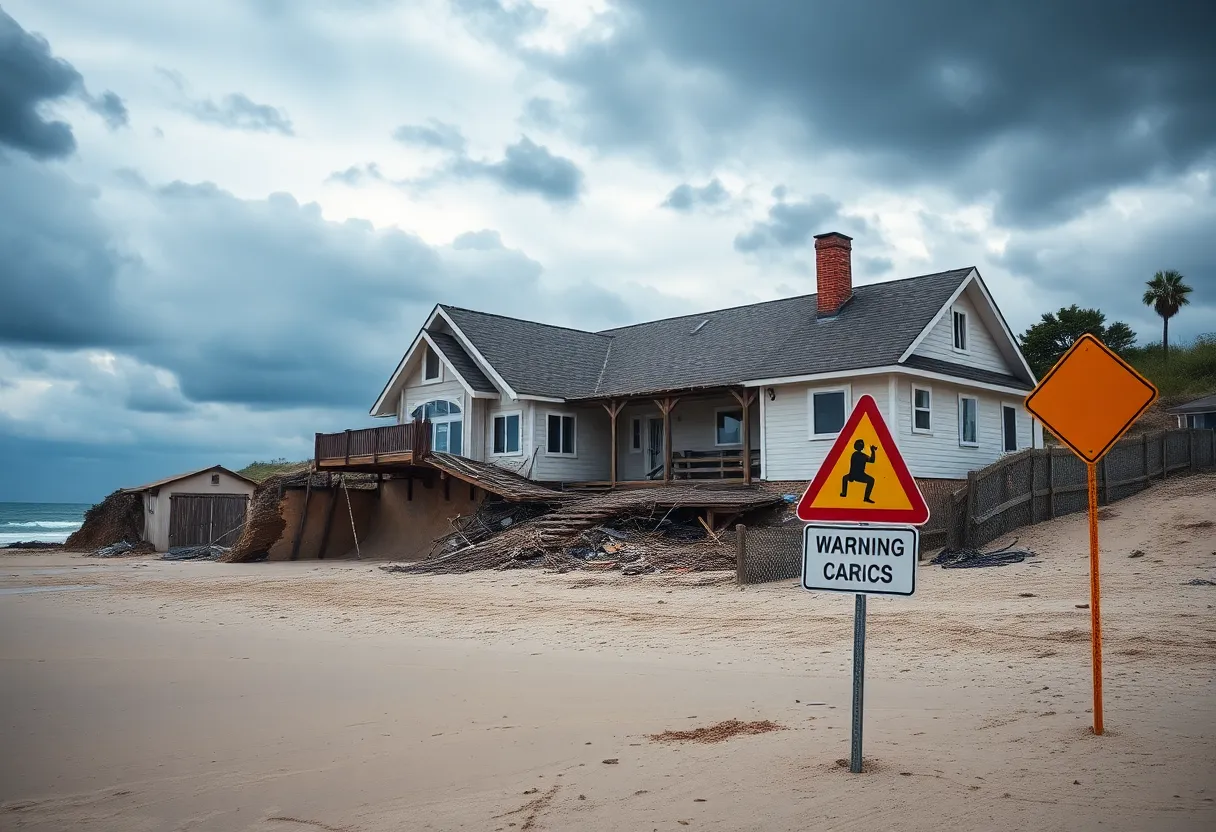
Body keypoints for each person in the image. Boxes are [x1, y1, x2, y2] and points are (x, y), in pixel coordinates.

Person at [840, 439, 877, 503]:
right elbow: (872, 460)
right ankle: (866, 498)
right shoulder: (860, 455)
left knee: (844, 478)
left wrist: (872, 451)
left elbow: (871, 460)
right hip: (859, 475)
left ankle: (844, 493)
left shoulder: (856, 454)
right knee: (871, 480)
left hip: (854, 474)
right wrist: (873, 451)